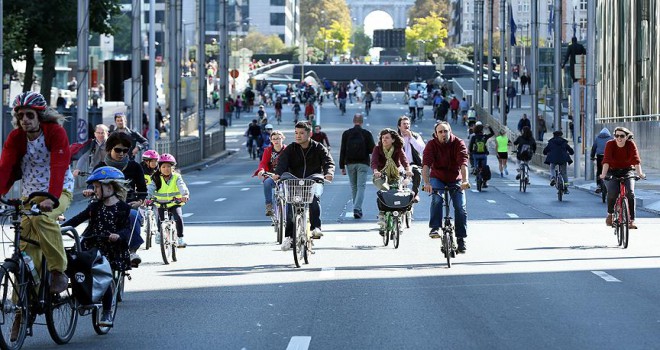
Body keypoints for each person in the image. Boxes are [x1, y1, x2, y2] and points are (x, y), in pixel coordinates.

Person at [0, 91, 73, 294]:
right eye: (20, 115)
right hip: (29, 195)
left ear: (39, 115)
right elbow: (5, 168)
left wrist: (52, 198)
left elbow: (59, 166)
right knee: (25, 255)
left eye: (29, 115)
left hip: (59, 191)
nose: (24, 120)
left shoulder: (55, 132)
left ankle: (58, 271)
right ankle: (21, 312)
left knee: (42, 220)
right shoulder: (16, 137)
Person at [62, 166, 133, 326]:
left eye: (96, 187)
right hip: (92, 245)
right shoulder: (95, 206)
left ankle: (107, 312)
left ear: (109, 186)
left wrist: (118, 236)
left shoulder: (123, 208)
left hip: (111, 249)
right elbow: (78, 219)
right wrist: (61, 228)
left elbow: (127, 230)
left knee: (103, 277)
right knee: (74, 266)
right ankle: (82, 297)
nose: (94, 190)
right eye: (93, 187)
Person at [85, 132, 147, 265]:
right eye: (118, 150)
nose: (122, 153)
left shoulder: (135, 166)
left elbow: (142, 190)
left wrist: (139, 201)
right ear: (109, 149)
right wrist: (90, 190)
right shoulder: (100, 167)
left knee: (133, 215)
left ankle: (131, 251)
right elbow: (91, 184)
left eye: (125, 150)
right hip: (104, 205)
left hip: (128, 205)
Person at [274, 122, 335, 249]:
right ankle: (290, 237)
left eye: (301, 133)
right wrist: (278, 174)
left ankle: (315, 228)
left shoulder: (318, 147)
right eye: (296, 133)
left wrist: (329, 173)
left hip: (313, 181)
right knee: (291, 206)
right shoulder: (291, 148)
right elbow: (282, 163)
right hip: (294, 182)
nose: (298, 136)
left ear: (309, 134)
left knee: (314, 200)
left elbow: (328, 162)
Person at [422, 121, 470, 253]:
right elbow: (426, 165)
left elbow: (463, 163)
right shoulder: (431, 145)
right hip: (437, 177)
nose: (444, 134)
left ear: (450, 131)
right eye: (440, 132)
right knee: (437, 199)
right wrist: (426, 183)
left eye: (446, 131)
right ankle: (435, 227)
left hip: (455, 178)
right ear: (436, 134)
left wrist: (465, 181)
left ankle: (461, 238)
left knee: (460, 208)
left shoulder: (458, 143)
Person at [600, 127, 645, 229]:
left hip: (627, 170)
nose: (619, 138)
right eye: (616, 136)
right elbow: (606, 160)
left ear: (627, 137)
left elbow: (636, 160)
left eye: (622, 136)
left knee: (631, 193)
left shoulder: (630, 144)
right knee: (613, 192)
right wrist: (603, 174)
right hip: (612, 170)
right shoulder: (610, 144)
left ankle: (631, 221)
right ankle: (610, 214)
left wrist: (640, 173)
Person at [371, 129, 413, 236]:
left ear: (393, 140)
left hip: (395, 174)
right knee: (382, 193)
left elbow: (404, 161)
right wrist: (376, 171)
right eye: (383, 138)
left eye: (387, 138)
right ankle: (382, 215)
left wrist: (408, 170)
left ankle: (399, 216)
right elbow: (374, 161)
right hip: (381, 175)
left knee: (397, 193)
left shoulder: (398, 149)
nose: (384, 140)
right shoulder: (377, 148)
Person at [148, 153, 190, 247]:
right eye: (163, 167)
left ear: (173, 168)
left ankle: (180, 238)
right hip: (161, 203)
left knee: (178, 217)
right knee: (160, 220)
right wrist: (146, 198)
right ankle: (159, 233)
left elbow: (182, 186)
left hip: (174, 203)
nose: (166, 169)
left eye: (169, 166)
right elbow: (150, 189)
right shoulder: (156, 178)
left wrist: (185, 195)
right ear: (159, 168)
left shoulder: (176, 177)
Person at [339, 114, 375, 219]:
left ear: (353, 121)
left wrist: (342, 166)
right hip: (363, 163)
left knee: (354, 187)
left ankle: (357, 208)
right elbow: (372, 150)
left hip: (350, 163)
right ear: (362, 122)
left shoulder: (346, 133)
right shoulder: (367, 134)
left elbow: (342, 150)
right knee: (361, 186)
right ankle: (357, 208)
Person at [254, 130, 287, 216]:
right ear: (271, 140)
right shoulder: (268, 150)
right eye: (274, 139)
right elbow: (263, 162)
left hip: (285, 175)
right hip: (272, 175)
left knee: (289, 189)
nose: (276, 141)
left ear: (283, 138)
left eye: (278, 138)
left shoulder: (288, 150)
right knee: (267, 182)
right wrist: (261, 170)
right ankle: (269, 206)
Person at [397, 116, 425, 202]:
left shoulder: (416, 136)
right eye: (404, 124)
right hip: (399, 164)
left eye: (408, 124)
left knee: (417, 172)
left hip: (413, 164)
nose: (407, 126)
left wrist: (411, 138)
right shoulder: (396, 137)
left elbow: (421, 149)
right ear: (399, 126)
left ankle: (415, 194)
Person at [468, 123, 495, 188]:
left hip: (476, 154)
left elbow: (471, 146)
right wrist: (489, 127)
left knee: (475, 164)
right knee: (484, 168)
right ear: (482, 130)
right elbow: (492, 134)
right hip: (483, 154)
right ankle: (484, 182)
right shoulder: (484, 136)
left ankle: (475, 169)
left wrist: (471, 152)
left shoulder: (474, 137)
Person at [590, 127, 613, 193]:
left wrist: (592, 156)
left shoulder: (597, 138)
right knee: (609, 170)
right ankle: (610, 184)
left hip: (599, 156)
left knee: (599, 170)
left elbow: (594, 148)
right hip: (608, 157)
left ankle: (599, 185)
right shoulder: (611, 139)